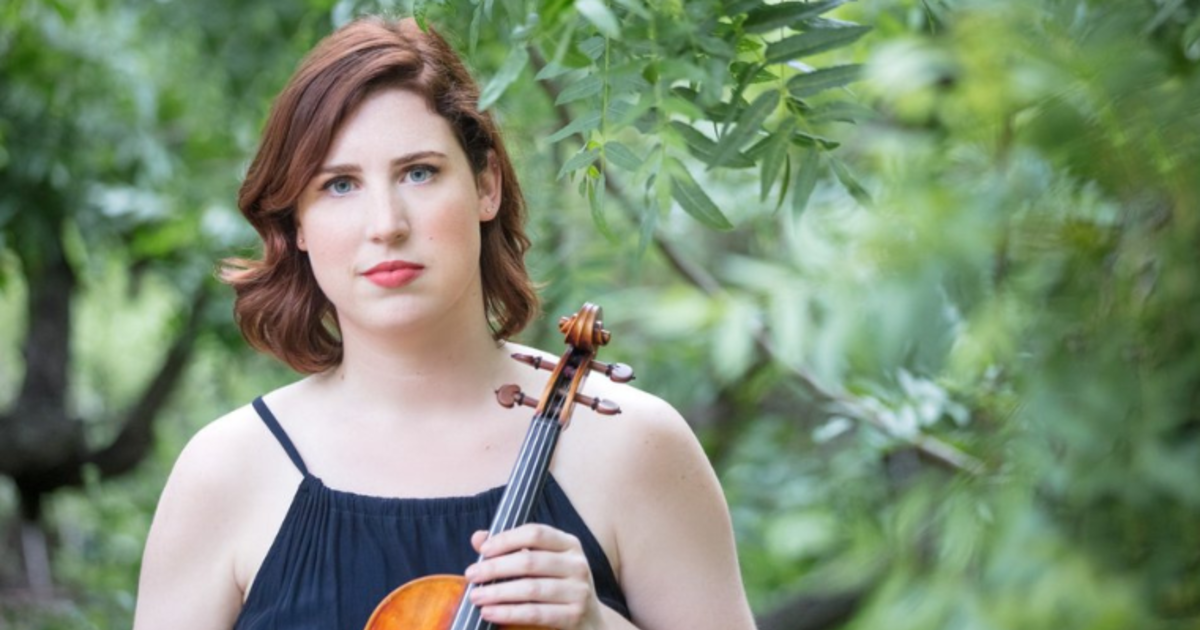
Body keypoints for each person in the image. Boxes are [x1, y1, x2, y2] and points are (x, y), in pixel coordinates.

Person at [133, 15, 756, 630]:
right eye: (340, 185)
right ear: (297, 223)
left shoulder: (634, 447)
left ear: (485, 185)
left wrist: (598, 625)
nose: (386, 223)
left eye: (419, 172)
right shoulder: (226, 472)